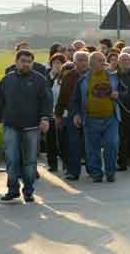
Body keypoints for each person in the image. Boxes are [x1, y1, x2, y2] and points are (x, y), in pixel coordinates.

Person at [0, 49, 52, 203]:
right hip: (11, 126)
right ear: (16, 62)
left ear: (32, 63)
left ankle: (28, 191)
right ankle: (12, 190)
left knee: (30, 160)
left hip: (32, 127)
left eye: (29, 62)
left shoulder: (40, 80)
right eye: (23, 61)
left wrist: (45, 118)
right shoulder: (6, 80)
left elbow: (47, 101)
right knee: (12, 159)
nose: (26, 64)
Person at [69, 52, 121, 183]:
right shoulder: (83, 80)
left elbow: (125, 92)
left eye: (104, 60)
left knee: (112, 144)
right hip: (90, 119)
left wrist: (118, 94)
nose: (103, 63)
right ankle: (96, 174)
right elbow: (75, 100)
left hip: (111, 119)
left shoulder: (113, 77)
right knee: (92, 149)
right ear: (91, 63)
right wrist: (76, 114)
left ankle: (110, 172)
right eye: (100, 60)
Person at [55, 51, 89, 180]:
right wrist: (58, 115)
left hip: (90, 113)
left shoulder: (93, 75)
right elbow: (62, 97)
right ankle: (73, 171)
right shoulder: (69, 76)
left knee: (90, 143)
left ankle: (92, 169)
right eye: (80, 60)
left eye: (85, 60)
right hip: (73, 113)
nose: (83, 62)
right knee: (73, 143)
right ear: (74, 63)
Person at [46, 53, 67, 172]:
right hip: (49, 113)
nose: (57, 65)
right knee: (50, 140)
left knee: (63, 139)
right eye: (54, 63)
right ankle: (52, 164)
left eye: (59, 63)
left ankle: (65, 163)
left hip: (62, 114)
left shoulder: (66, 77)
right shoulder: (46, 77)